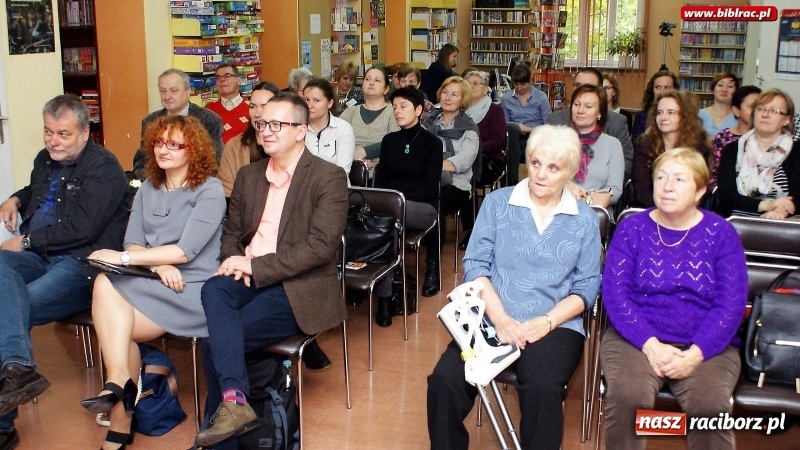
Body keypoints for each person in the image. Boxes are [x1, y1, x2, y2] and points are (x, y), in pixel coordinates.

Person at [428, 124, 601, 450]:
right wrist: (502, 319)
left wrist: (546, 321)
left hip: (555, 323)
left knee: (541, 387)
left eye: (553, 167)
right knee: (444, 383)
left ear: (570, 172)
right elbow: (476, 266)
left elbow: (586, 286)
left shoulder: (584, 219)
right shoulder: (497, 203)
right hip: (492, 313)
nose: (541, 174)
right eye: (535, 163)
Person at [194, 92, 348, 449]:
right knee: (213, 289)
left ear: (301, 131)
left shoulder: (328, 177)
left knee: (213, 342)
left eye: (277, 124)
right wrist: (236, 263)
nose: (266, 131)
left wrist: (255, 265)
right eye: (262, 123)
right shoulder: (249, 175)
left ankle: (222, 435)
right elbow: (232, 233)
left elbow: (319, 248)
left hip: (298, 287)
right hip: (249, 277)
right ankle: (235, 405)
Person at [82, 115, 226, 450]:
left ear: (194, 150)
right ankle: (118, 386)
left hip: (193, 288)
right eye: (159, 142)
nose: (164, 149)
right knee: (108, 292)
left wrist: (128, 259)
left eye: (175, 144)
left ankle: (119, 412)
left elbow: (185, 251)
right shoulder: (148, 186)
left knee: (112, 308)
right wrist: (157, 264)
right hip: (157, 278)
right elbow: (132, 241)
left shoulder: (209, 189)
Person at [0, 94, 129, 448]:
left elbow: (82, 230)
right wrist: (14, 199)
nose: (53, 141)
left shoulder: (103, 167)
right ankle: (18, 367)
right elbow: (37, 191)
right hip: (41, 254)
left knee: (8, 308)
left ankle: (2, 425)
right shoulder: (45, 159)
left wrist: (25, 242)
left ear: (86, 133)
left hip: (79, 263)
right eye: (48, 132)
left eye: (63, 134)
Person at [601, 147, 747, 450]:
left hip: (707, 344)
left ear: (699, 190)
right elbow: (616, 295)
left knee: (710, 409)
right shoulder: (632, 228)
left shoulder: (721, 234)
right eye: (661, 177)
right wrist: (651, 345)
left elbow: (730, 305)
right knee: (628, 397)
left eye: (679, 179)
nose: (667, 186)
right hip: (636, 339)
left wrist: (696, 353)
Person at [373, 87, 443, 326]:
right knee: (386, 223)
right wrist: (390, 200)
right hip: (393, 208)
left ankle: (396, 287)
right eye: (394, 107)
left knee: (387, 218)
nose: (397, 111)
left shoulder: (432, 143)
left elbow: (430, 189)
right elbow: (381, 181)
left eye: (403, 106)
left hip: (421, 208)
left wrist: (397, 199)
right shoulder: (389, 141)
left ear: (419, 110)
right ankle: (385, 297)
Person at [423, 76, 480, 297]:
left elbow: (462, 163)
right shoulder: (429, 121)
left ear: (463, 99)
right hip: (427, 180)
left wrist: (430, 164)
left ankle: (432, 269)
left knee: (436, 207)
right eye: (446, 92)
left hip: (457, 186)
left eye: (454, 94)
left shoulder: (469, 129)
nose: (448, 97)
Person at [716, 89, 799, 219]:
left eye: (774, 111)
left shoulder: (797, 151)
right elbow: (726, 195)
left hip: (784, 223)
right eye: (760, 109)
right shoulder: (733, 149)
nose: (765, 115)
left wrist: (781, 211)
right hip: (737, 220)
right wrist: (767, 205)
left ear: (786, 120)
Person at [133, 69, 223, 178]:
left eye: (174, 91)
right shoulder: (150, 121)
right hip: (157, 184)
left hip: (195, 185)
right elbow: (142, 160)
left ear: (188, 90)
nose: (167, 96)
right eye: (163, 91)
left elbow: (214, 161)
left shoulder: (209, 120)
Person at [546, 67, 634, 179]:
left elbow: (627, 163)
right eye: (577, 85)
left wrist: (603, 187)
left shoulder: (617, 122)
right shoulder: (554, 120)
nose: (582, 90)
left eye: (588, 87)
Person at [632, 90, 711, 207]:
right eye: (659, 112)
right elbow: (641, 190)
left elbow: (699, 188)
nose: (663, 117)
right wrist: (664, 208)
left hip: (686, 211)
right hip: (651, 208)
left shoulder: (699, 147)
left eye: (671, 112)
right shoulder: (644, 145)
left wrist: (677, 210)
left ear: (684, 116)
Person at [458, 70, 507, 250]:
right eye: (467, 82)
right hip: (460, 159)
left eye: (476, 83)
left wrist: (471, 149)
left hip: (489, 160)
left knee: (466, 178)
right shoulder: (459, 109)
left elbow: (498, 141)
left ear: (486, 89)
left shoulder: (494, 110)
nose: (471, 86)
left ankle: (473, 231)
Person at [564, 85, 624, 208]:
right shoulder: (558, 139)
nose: (580, 110)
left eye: (588, 106)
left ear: (600, 113)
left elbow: (615, 191)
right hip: (559, 208)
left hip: (596, 211)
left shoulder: (612, 144)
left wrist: (586, 199)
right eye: (576, 104)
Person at [217, 82, 280, 198]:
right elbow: (225, 192)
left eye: (264, 106)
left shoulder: (288, 143)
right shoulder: (234, 146)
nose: (257, 113)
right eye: (252, 107)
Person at [501, 63, 551, 186]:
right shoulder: (506, 98)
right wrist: (519, 127)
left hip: (536, 135)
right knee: (511, 134)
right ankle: (512, 181)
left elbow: (548, 122)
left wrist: (530, 129)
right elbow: (504, 123)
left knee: (515, 147)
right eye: (516, 84)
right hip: (515, 135)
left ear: (530, 82)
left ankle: (511, 182)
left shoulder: (541, 97)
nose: (519, 88)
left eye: (523, 84)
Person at [340, 67, 400, 168]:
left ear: (386, 89)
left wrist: (364, 152)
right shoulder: (350, 112)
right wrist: (356, 158)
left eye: (377, 80)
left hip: (383, 168)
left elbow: (394, 141)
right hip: (350, 166)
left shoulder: (393, 112)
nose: (371, 83)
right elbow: (335, 137)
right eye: (367, 79)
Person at [709, 85, 761, 187]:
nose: (757, 112)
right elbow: (712, 172)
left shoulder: (767, 138)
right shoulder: (723, 138)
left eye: (760, 107)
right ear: (736, 110)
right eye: (752, 107)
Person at [302, 77, 356, 174]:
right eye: (306, 100)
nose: (309, 106)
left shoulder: (343, 128)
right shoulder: (297, 128)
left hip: (334, 185)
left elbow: (342, 171)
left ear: (330, 103)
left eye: (316, 101)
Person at [205, 64, 250, 144]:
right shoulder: (208, 110)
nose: (222, 79)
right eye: (218, 77)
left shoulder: (252, 108)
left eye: (227, 76)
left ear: (239, 80)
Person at [631, 70, 678, 145]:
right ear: (652, 90)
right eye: (658, 87)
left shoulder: (682, 115)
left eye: (667, 87)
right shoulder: (641, 117)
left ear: (675, 90)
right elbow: (635, 146)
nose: (662, 92)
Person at [698, 72, 739, 138]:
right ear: (712, 89)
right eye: (720, 85)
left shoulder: (739, 118)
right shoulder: (699, 115)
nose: (724, 90)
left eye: (730, 86)